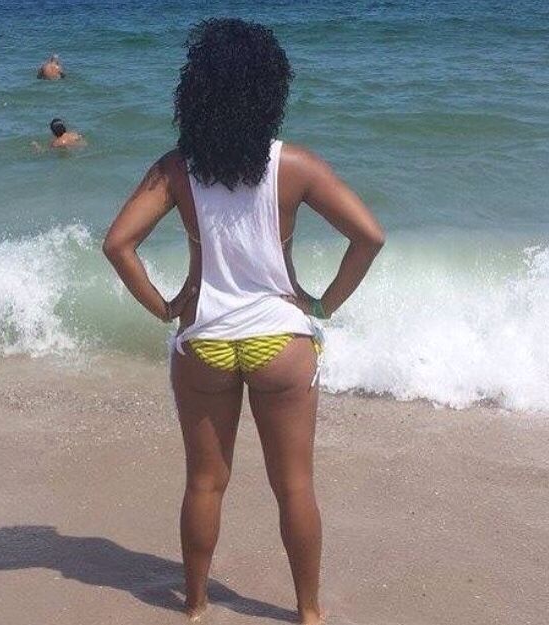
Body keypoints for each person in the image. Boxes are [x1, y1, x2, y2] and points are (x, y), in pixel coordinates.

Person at [103, 18, 384, 625]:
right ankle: (309, 612)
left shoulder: (177, 169)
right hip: (281, 340)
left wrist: (165, 306)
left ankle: (197, 605)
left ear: (195, 92)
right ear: (270, 91)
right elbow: (368, 236)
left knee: (205, 483)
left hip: (205, 341)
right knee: (295, 487)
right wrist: (321, 304)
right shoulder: (296, 166)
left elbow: (119, 243)